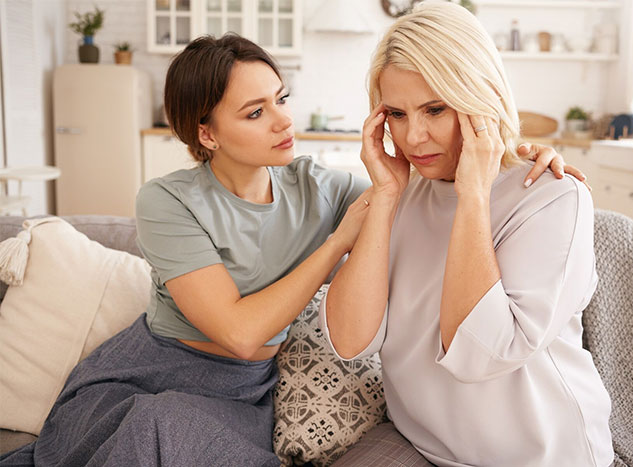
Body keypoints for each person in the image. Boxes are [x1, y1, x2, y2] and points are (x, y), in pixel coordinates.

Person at [0, 33, 581, 466]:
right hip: (156, 368)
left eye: (282, 99)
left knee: (174, 431)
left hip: (246, 389)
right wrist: (335, 244)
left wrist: (514, 151)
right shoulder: (166, 200)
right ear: (207, 133)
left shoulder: (322, 187)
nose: (284, 121)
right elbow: (239, 333)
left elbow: (422, 192)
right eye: (256, 112)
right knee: (149, 423)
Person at [322, 2, 613, 467]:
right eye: (396, 113)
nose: (413, 137)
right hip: (422, 442)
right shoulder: (397, 194)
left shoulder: (552, 197)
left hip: (536, 455)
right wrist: (386, 197)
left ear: (480, 97)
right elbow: (350, 341)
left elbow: (480, 356)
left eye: (435, 109)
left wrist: (473, 194)